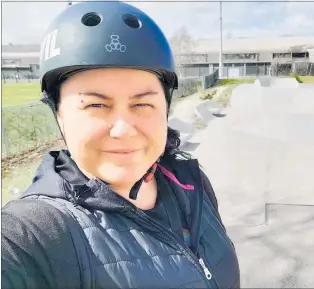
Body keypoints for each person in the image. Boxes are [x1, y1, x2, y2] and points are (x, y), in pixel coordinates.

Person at [1, 2, 240, 289]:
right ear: (60, 114)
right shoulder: (34, 233)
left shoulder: (191, 183)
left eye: (142, 103)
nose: (124, 129)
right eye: (96, 104)